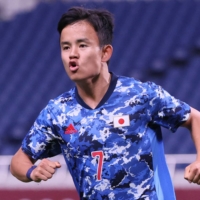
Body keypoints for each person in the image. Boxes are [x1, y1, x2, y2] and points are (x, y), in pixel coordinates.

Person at [10, 6, 200, 200]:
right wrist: (32, 171)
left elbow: (195, 118)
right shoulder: (58, 112)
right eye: (66, 47)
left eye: (82, 45)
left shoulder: (140, 95)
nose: (72, 54)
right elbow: (18, 161)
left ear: (105, 53)